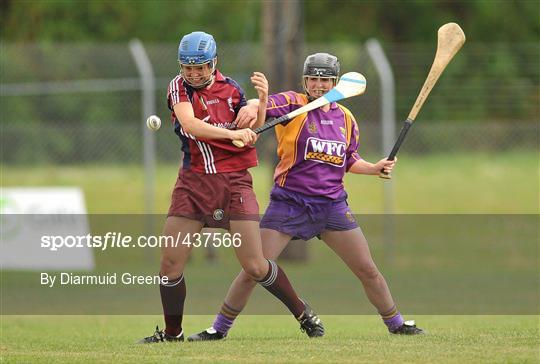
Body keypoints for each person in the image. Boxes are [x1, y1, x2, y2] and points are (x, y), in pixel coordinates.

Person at [188, 52, 424, 341]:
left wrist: (374, 168)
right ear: (305, 80)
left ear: (335, 82)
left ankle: (396, 324)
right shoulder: (293, 103)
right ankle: (219, 329)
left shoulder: (346, 120)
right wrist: (252, 105)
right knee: (254, 268)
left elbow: (349, 160)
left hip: (332, 207)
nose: (319, 85)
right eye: (313, 79)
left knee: (367, 269)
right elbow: (266, 104)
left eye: (325, 80)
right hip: (290, 203)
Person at [139, 32, 324, 343]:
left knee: (254, 264)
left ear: (215, 63)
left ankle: (303, 313)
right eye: (188, 68)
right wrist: (231, 136)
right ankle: (173, 334)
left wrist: (259, 103)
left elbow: (254, 125)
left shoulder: (232, 89)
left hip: (235, 183)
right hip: (193, 185)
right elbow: (191, 125)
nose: (194, 74)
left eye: (201, 67)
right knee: (170, 264)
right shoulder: (177, 87)